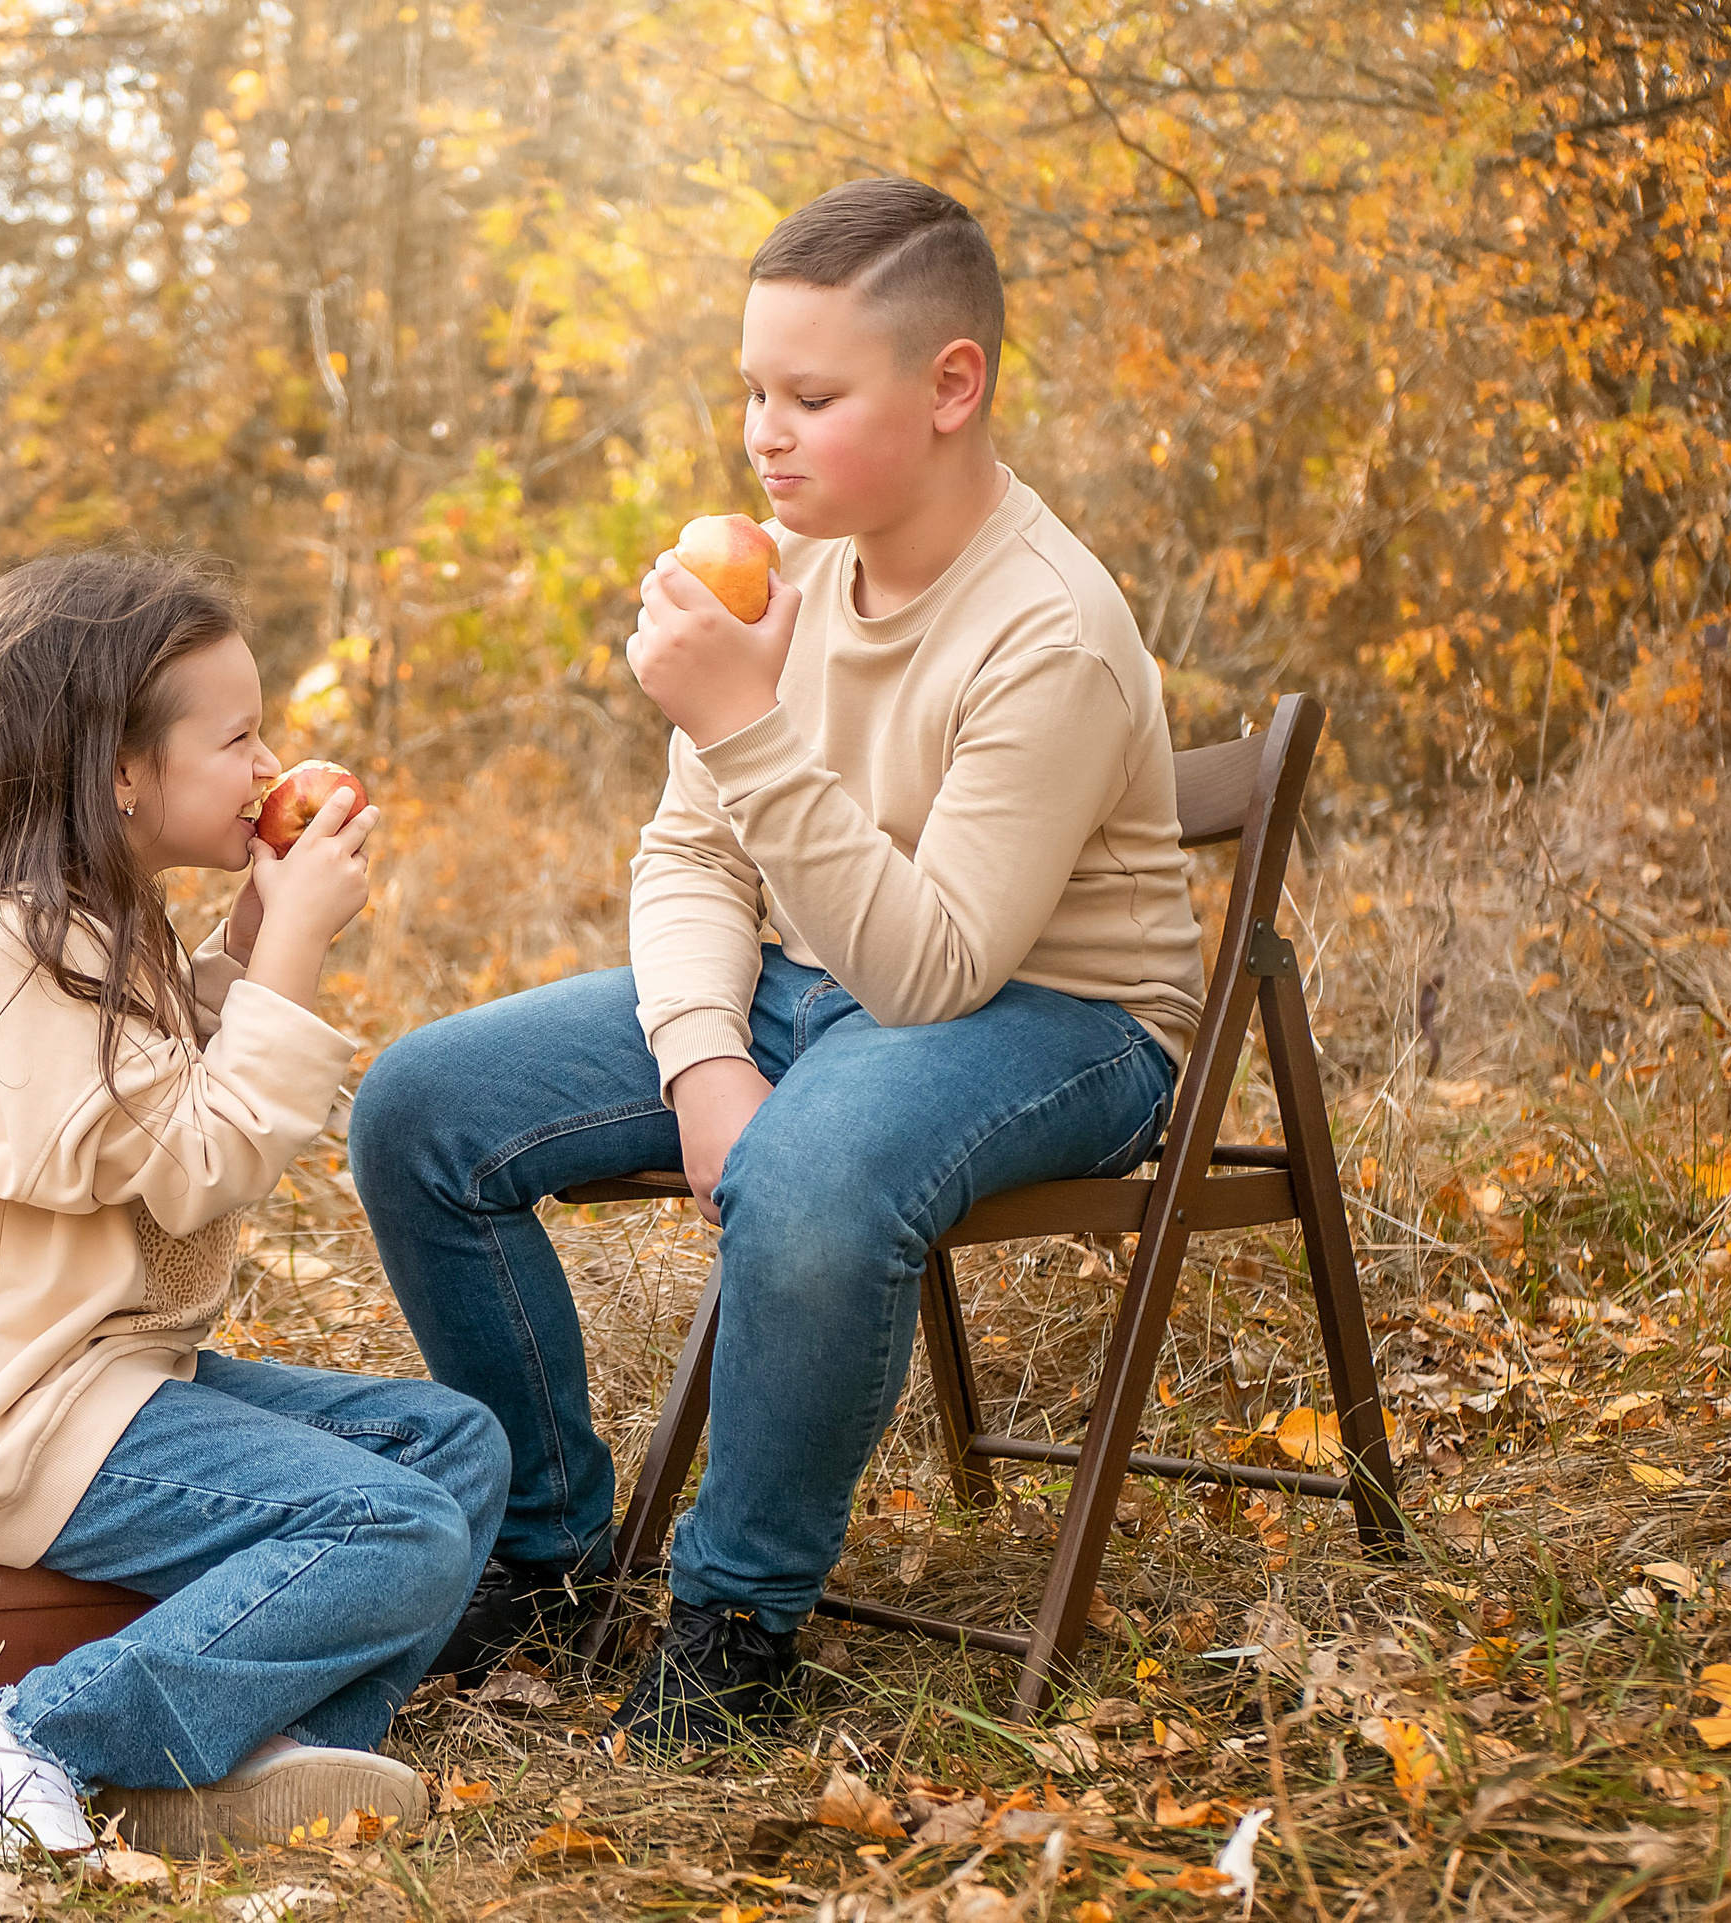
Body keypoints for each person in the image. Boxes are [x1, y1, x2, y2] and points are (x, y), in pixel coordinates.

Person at [350, 175, 1205, 1752]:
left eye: (812, 396)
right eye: (753, 389)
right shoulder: (787, 575)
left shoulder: (1050, 631)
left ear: (954, 387)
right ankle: (548, 1555)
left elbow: (939, 967)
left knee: (811, 1182)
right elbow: (694, 856)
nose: (764, 433)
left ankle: (737, 1622)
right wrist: (704, 1052)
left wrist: (738, 719)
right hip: (809, 996)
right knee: (418, 1107)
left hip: (1056, 1019)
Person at [0, 550, 507, 1857]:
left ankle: (263, 1755)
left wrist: (247, 942)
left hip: (102, 1378)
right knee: (399, 1525)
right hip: (10, 1417)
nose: (267, 769)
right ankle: (27, 1746)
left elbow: (141, 1095)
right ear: (119, 772)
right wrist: (295, 948)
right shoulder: (16, 952)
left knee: (452, 1450)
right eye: (238, 737)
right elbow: (199, 1158)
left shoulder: (81, 921)